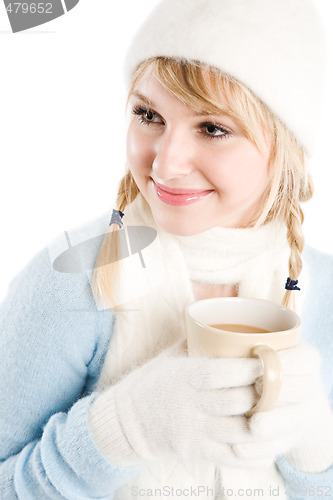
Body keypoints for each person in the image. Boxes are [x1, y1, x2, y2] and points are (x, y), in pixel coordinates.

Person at [1, 0, 333, 498]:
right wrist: (124, 427)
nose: (166, 162)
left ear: (285, 150)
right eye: (148, 114)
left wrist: (315, 453)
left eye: (213, 128)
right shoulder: (71, 278)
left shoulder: (323, 292)